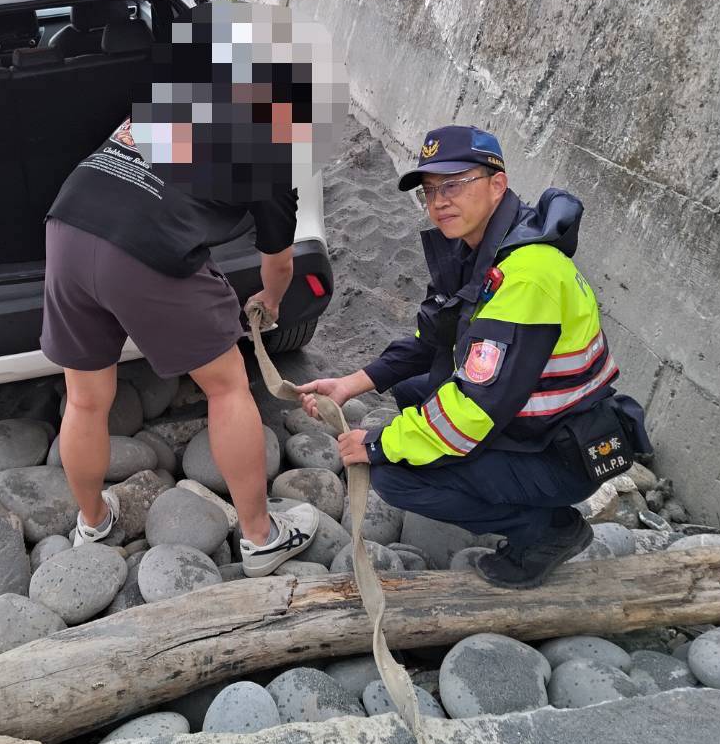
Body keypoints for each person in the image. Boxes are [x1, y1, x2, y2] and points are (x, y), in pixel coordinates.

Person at [298, 125, 651, 589]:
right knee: (411, 392)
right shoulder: (476, 250)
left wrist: (377, 444)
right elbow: (431, 340)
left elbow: (474, 409)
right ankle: (504, 494)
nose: (439, 201)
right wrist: (351, 384)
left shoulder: (525, 276)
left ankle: (546, 531)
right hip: (531, 423)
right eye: (430, 191)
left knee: (393, 477)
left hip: (561, 452)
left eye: (453, 185)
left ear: (497, 184)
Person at [40, 113, 319, 574]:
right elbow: (280, 264)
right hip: (143, 246)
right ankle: (261, 536)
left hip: (67, 227)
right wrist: (269, 300)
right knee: (227, 386)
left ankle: (92, 523)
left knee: (85, 401)